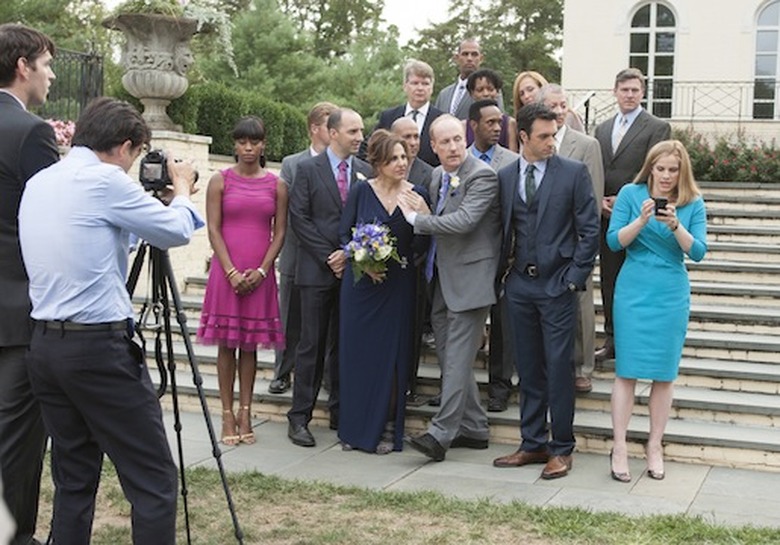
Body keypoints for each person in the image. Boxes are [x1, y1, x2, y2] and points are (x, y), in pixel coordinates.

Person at [19, 97, 202, 544]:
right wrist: (180, 189)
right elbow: (175, 230)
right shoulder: (104, 180)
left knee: (74, 475)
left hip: (45, 345)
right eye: (135, 155)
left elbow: (97, 239)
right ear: (124, 146)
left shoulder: (42, 181)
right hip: (98, 349)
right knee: (153, 478)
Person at [492, 103, 599, 480]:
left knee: (559, 368)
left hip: (558, 285)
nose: (552, 141)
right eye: (544, 136)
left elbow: (589, 231)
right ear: (523, 137)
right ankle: (532, 442)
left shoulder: (573, 173)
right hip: (520, 284)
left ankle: (562, 448)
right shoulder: (505, 177)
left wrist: (573, 279)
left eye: (554, 134)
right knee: (528, 367)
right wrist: (504, 280)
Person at [398, 114, 501, 462]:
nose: (454, 146)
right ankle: (474, 427)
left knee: (456, 358)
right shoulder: (438, 176)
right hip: (440, 278)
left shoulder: (482, 176)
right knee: (447, 355)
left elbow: (465, 221)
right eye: (446, 142)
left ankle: (440, 434)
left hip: (472, 281)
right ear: (434, 146)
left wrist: (418, 221)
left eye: (458, 138)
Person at [607, 140, 707, 483]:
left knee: (664, 374)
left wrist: (676, 226)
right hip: (634, 288)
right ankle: (619, 446)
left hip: (670, 292)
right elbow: (613, 241)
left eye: (673, 170)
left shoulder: (693, 201)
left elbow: (699, 252)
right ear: (650, 167)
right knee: (627, 371)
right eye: (660, 168)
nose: (665, 176)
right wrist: (641, 220)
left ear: (682, 172)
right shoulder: (630, 193)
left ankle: (654, 445)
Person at [0, 23, 58, 545]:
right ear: (23, 67)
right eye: (46, 64)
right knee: (15, 440)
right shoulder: (30, 132)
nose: (52, 75)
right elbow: (51, 219)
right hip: (16, 312)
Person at [338, 130, 430, 454]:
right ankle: (354, 428)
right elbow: (344, 235)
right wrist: (362, 261)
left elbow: (423, 243)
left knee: (392, 359)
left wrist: (424, 216)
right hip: (362, 287)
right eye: (394, 158)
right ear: (377, 162)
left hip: (398, 287)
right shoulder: (362, 192)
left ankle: (389, 428)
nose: (402, 163)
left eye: (404, 157)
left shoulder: (416, 194)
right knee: (358, 356)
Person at [197, 116, 286, 445]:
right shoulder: (219, 181)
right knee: (226, 345)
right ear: (234, 144)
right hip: (226, 272)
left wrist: (263, 270)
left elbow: (280, 233)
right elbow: (213, 229)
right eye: (242, 142)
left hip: (259, 275)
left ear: (263, 144)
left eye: (254, 142)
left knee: (249, 346)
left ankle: (246, 412)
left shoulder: (277, 185)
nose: (248, 148)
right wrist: (231, 271)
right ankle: (226, 415)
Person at [287, 108, 373, 447]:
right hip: (315, 272)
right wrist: (330, 255)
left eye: (361, 131)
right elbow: (300, 218)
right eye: (353, 131)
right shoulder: (307, 170)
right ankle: (299, 418)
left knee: (344, 346)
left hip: (352, 272)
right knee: (311, 346)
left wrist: (348, 252)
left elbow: (369, 219)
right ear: (333, 133)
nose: (359, 137)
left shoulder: (365, 172)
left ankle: (341, 412)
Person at [593, 68, 671, 362]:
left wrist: (630, 202)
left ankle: (638, 340)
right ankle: (612, 339)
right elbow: (597, 168)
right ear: (615, 91)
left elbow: (657, 170)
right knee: (610, 279)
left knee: (639, 279)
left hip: (639, 215)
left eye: (635, 90)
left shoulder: (656, 127)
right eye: (624, 89)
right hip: (606, 216)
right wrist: (599, 199)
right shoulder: (601, 129)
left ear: (643, 93)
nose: (629, 95)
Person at [538, 83, 605, 394]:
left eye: (563, 105)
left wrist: (584, 243)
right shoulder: (535, 145)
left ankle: (582, 366)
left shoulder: (586, 145)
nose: (560, 111)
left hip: (575, 238)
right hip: (542, 240)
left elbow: (593, 196)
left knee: (581, 305)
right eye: (553, 106)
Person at [268, 102, 338, 396]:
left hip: (331, 258)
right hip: (298, 254)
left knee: (328, 325)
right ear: (314, 128)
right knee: (290, 318)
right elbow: (290, 211)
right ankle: (283, 371)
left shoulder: (343, 164)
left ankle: (322, 375)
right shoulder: (292, 163)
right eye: (327, 124)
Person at [465, 98, 520, 413]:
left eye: (500, 122)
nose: (498, 128)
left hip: (502, 255)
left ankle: (500, 387)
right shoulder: (459, 160)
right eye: (490, 123)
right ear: (473, 125)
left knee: (502, 324)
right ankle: (459, 388)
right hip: (466, 256)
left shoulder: (511, 161)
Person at [390, 116, 434, 405]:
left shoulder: (429, 174)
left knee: (411, 332)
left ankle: (409, 385)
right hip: (381, 269)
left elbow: (430, 223)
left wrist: (414, 258)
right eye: (407, 137)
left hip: (414, 267)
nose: (413, 143)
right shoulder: (374, 175)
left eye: (417, 137)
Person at [370, 59, 443, 167]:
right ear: (405, 86)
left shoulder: (441, 120)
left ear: (432, 88)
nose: (420, 88)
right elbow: (373, 148)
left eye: (425, 84)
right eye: (415, 83)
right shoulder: (388, 117)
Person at [434, 38, 504, 120]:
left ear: (481, 59)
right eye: (465, 54)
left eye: (474, 54)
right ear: (457, 58)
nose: (469, 59)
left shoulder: (490, 91)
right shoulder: (444, 94)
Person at [512, 71, 584, 134]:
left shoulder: (569, 117)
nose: (526, 96)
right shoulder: (519, 124)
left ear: (542, 87)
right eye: (521, 94)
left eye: (530, 89)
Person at [465, 69, 518, 152]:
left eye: (490, 89)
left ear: (497, 91)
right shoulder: (463, 126)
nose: (486, 94)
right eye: (480, 90)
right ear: (472, 93)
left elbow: (513, 157)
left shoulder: (510, 124)